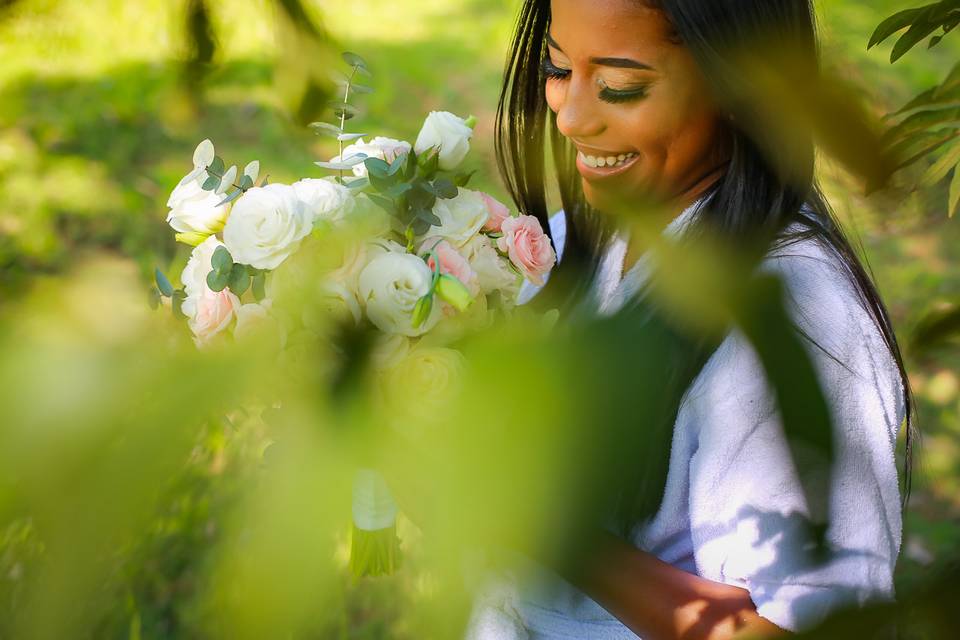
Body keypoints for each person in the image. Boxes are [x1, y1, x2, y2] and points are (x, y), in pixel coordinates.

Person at [465, 1, 914, 638]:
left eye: (622, 86)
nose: (570, 117)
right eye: (557, 68)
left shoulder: (802, 326)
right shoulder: (599, 235)